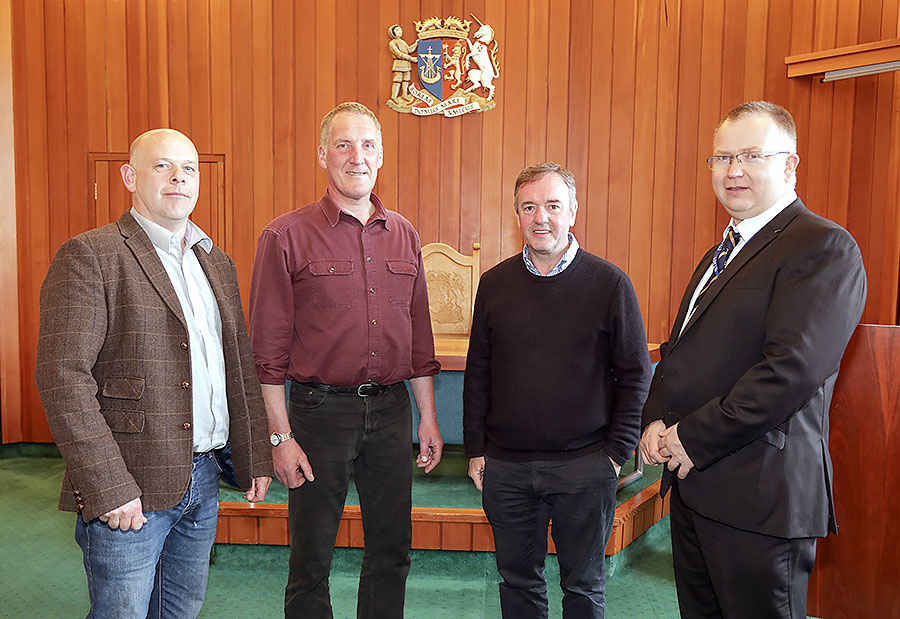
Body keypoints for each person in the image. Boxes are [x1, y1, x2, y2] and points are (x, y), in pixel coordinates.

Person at [639, 101, 867, 619]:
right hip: (696, 487)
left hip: (761, 495)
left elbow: (790, 370)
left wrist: (690, 436)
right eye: (721, 158)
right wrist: (656, 416)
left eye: (751, 155)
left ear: (790, 165)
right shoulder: (720, 252)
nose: (732, 170)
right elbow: (681, 351)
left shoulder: (823, 246)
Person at [35, 128, 273, 617]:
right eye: (162, 166)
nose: (178, 178)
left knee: (181, 611)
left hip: (203, 478)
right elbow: (64, 378)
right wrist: (108, 486)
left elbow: (236, 368)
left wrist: (254, 458)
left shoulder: (217, 262)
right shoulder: (91, 256)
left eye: (188, 168)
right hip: (130, 487)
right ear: (129, 176)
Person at [249, 101, 443, 618]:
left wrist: (427, 416)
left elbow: (419, 341)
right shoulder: (284, 236)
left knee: (391, 552)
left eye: (368, 144)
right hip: (317, 417)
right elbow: (266, 354)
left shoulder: (405, 235)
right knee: (311, 559)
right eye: (343, 144)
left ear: (381, 155)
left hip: (391, 413)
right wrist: (279, 436)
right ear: (322, 155)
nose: (357, 156)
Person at [463, 163, 652, 618]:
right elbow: (479, 373)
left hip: (585, 464)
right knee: (518, 583)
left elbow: (635, 374)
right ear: (517, 215)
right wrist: (475, 450)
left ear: (572, 212)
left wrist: (615, 453)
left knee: (583, 588)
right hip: (506, 467)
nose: (540, 217)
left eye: (552, 206)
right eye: (529, 207)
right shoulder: (494, 284)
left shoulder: (610, 284)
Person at [388, 25, 417, 103]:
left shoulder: (403, 42)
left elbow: (409, 50)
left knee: (406, 80)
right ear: (393, 32)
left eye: (400, 30)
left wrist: (416, 44)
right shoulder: (392, 43)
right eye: (397, 30)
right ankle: (394, 96)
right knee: (397, 80)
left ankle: (404, 94)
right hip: (399, 64)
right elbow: (399, 54)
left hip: (406, 64)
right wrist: (411, 58)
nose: (400, 32)